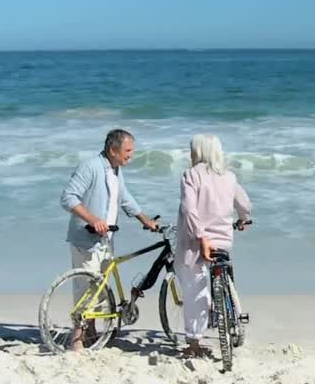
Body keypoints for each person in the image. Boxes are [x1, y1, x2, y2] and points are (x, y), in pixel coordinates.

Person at [60, 128, 160, 350]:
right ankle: (77, 340)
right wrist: (93, 219)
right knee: (86, 288)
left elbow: (124, 198)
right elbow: (68, 198)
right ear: (113, 150)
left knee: (100, 287)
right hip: (86, 237)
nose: (131, 155)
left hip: (106, 238)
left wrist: (145, 220)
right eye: (128, 150)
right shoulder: (91, 167)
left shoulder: (115, 169)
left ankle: (91, 333)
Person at [175, 134, 252, 358]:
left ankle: (194, 343)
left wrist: (201, 236)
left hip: (196, 242)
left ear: (198, 152)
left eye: (192, 150)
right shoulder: (229, 177)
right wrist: (243, 219)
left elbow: (190, 210)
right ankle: (230, 312)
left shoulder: (191, 175)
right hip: (223, 240)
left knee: (194, 289)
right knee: (219, 273)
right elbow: (245, 204)